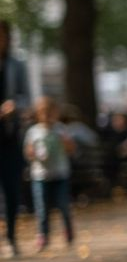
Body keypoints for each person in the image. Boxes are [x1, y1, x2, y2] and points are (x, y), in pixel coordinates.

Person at [24, 96, 76, 252]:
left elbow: (71, 149)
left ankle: (68, 231)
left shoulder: (61, 129)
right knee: (42, 207)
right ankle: (43, 235)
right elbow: (28, 152)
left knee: (63, 204)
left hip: (60, 174)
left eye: (49, 112)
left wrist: (65, 142)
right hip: (40, 174)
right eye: (43, 112)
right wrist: (33, 153)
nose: (46, 116)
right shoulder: (33, 132)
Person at [0, 20, 30, 257]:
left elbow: (26, 98)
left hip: (9, 137)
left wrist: (14, 106)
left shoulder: (17, 65)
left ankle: (10, 236)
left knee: (11, 189)